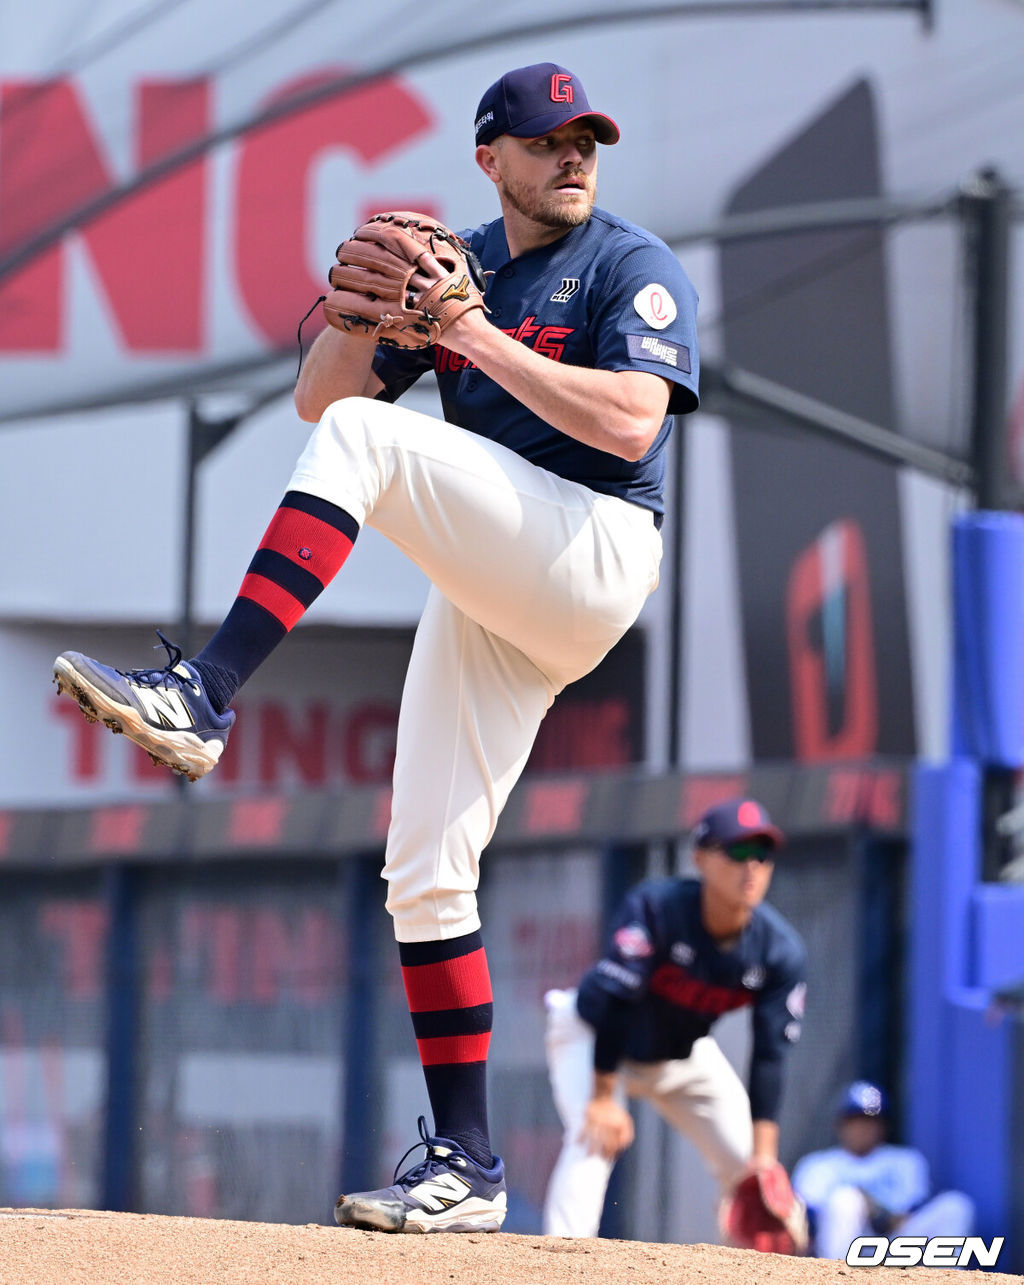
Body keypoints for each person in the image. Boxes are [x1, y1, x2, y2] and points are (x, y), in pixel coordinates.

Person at [50, 63, 701, 1232]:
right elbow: (322, 403)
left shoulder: (627, 263)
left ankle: (204, 689)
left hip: (594, 548)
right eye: (550, 140)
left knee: (373, 443)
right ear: (489, 158)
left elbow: (630, 419)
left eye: (587, 139)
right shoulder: (457, 262)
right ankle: (469, 1164)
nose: (574, 158)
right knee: (425, 867)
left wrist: (470, 335)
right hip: (498, 573)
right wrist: (359, 321)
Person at [543, 798, 806, 1240]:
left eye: (762, 854)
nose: (752, 867)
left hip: (679, 1055)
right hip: (595, 1036)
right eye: (738, 852)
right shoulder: (657, 908)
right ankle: (558, 1265)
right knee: (594, 1139)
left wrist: (765, 1155)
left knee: (752, 1172)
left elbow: (770, 1053)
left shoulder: (779, 950)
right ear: (699, 858)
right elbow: (616, 1002)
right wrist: (603, 1096)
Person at [792, 1080, 975, 1260]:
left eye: (871, 1121)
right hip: (843, 1246)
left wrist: (880, 1213)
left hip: (897, 1244)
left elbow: (911, 1211)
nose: (863, 1128)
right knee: (845, 1199)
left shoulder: (905, 1160)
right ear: (840, 1124)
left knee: (956, 1205)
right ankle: (835, 1278)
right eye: (855, 1120)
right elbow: (807, 1219)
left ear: (884, 1125)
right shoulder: (816, 1165)